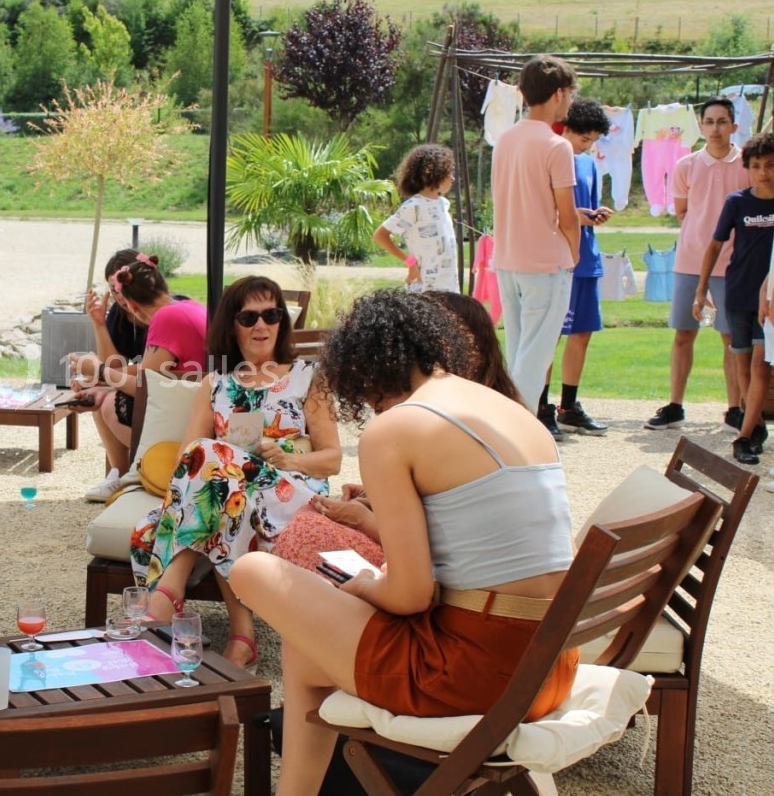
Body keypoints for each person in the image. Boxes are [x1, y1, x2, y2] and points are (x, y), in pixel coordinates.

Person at [229, 289, 577, 795]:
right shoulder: (505, 407)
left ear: (366, 373)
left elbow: (411, 596)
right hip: (550, 664)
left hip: (479, 673)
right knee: (308, 647)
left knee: (251, 571)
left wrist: (364, 585)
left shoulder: (396, 429)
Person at [131, 276, 343, 670]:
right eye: (248, 317)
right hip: (232, 494)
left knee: (219, 474)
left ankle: (167, 593)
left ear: (282, 322)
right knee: (222, 478)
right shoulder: (216, 384)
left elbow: (332, 459)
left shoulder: (308, 377)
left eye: (271, 314)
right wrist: (226, 459)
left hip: (289, 495)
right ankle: (242, 639)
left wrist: (288, 457)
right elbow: (188, 456)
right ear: (232, 324)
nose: (261, 325)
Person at [272, 290, 523, 574]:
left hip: (463, 586)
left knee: (302, 538)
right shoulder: (506, 411)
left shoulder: (421, 421)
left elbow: (417, 579)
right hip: (498, 582)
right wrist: (376, 496)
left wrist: (363, 520)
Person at [646, 97, 748, 432]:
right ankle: (675, 405)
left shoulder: (748, 164)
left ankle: (735, 407)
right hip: (689, 261)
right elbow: (682, 210)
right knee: (683, 334)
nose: (716, 129)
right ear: (701, 126)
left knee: (730, 339)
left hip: (733, 264)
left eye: (722, 122)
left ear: (734, 126)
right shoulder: (686, 165)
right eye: (710, 122)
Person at [490, 54, 581, 424]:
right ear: (559, 93)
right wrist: (573, 252)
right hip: (545, 261)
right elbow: (567, 213)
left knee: (518, 349)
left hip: (509, 257)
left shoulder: (505, 140)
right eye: (570, 93)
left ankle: (505, 425)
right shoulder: (557, 146)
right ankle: (512, 430)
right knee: (536, 354)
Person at [69, 253, 207, 483]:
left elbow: (145, 388)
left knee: (108, 405)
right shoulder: (187, 306)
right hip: (193, 405)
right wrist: (101, 380)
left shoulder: (165, 318)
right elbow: (148, 371)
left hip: (183, 420)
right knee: (105, 396)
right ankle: (121, 477)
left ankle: (137, 475)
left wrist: (100, 372)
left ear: (132, 305)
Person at [694, 132, 774, 464]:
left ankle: (742, 438)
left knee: (760, 364)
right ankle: (753, 425)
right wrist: (701, 289)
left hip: (769, 300)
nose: (763, 172)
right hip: (738, 292)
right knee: (742, 362)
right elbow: (715, 244)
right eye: (756, 166)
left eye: (770, 165)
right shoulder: (738, 202)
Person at [539, 100, 615, 438]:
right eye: (585, 139)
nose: (588, 146)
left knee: (582, 333)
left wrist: (593, 214)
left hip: (588, 257)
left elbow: (582, 210)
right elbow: (545, 212)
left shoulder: (587, 163)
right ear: (566, 128)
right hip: (557, 258)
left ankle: (568, 406)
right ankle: (541, 408)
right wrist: (576, 216)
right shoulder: (551, 157)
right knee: (549, 336)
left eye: (593, 140)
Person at [372, 144, 459, 293]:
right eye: (448, 172)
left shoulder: (443, 204)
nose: (453, 178)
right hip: (424, 290)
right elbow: (380, 236)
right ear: (432, 172)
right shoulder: (413, 207)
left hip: (449, 289)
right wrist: (410, 263)